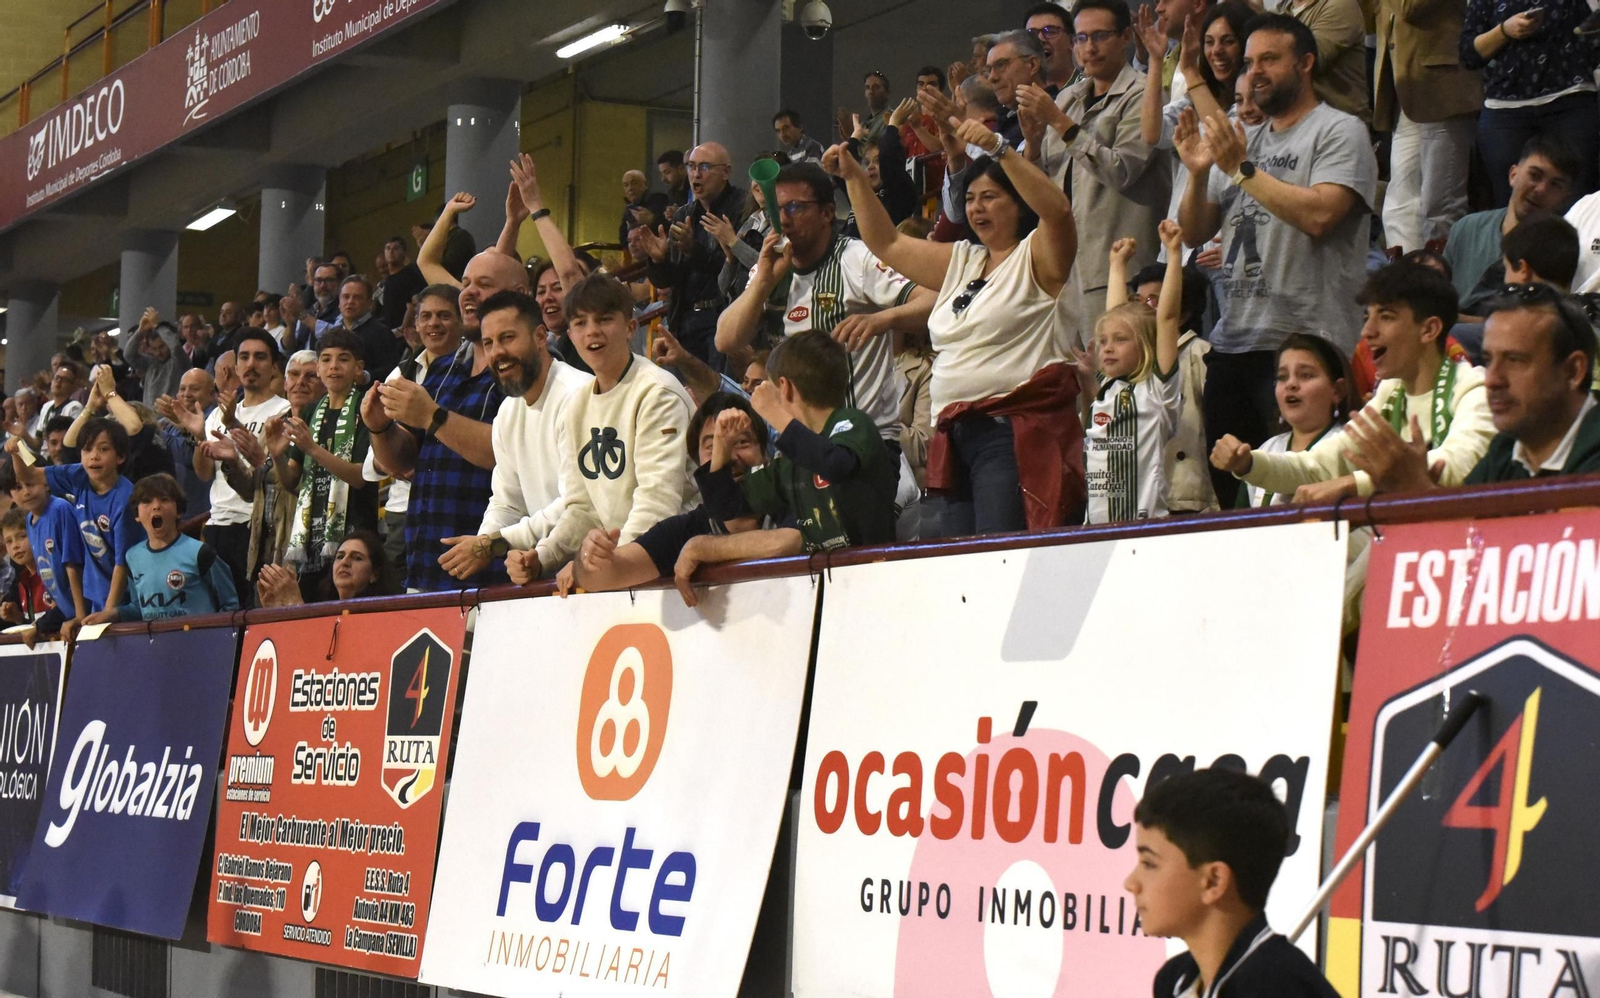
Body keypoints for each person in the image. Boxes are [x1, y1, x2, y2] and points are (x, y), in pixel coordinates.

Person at [829, 122, 1083, 536]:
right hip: (952, 436)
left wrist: (1000, 148)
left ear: (1018, 204)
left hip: (1011, 435)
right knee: (963, 566)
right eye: (970, 199)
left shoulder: (1039, 257)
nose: (977, 208)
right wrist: (854, 178)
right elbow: (888, 245)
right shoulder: (962, 260)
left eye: (990, 197)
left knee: (999, 558)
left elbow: (1057, 210)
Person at [1175, 13, 1377, 505]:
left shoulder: (1339, 131)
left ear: (1306, 63)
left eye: (1269, 59)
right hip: (1235, 340)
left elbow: (1320, 215)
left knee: (1306, 496)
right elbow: (1195, 230)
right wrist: (1201, 173)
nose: (1254, 72)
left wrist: (1241, 170)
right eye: (1248, 62)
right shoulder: (1247, 141)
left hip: (1308, 343)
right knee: (1234, 500)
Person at [1212, 262, 1496, 500]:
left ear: (1429, 329)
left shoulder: (1473, 390)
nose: (1367, 331)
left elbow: (1458, 466)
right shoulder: (1390, 392)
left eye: (1385, 317)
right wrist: (1249, 463)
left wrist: (1350, 484)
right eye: (1366, 317)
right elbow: (1317, 467)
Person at [717, 162, 934, 464]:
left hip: (863, 446)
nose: (782, 220)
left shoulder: (857, 258)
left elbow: (934, 299)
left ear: (827, 213)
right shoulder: (770, 267)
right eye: (775, 210)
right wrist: (763, 282)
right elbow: (725, 340)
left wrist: (882, 319)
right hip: (798, 443)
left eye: (794, 207)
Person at [504, 275, 695, 584]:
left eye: (604, 319)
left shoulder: (657, 393)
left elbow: (658, 504)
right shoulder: (576, 405)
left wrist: (603, 566)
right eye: (580, 323)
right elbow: (583, 507)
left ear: (630, 328)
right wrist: (542, 557)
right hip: (620, 563)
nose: (592, 331)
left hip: (676, 563)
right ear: (569, 334)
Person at [555, 393, 800, 602]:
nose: (728, 456)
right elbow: (604, 577)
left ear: (765, 453)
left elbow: (793, 541)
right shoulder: (683, 530)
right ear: (697, 463)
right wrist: (588, 560)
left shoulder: (792, 500)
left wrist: (704, 549)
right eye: (712, 446)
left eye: (741, 442)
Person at [1128, 768, 1341, 998]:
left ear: (1213, 881)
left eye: (1149, 863)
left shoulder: (1278, 987)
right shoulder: (1173, 979)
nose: (1130, 882)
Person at [1027, 0, 1170, 329]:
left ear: (1125, 37)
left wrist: (1060, 124)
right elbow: (1042, 190)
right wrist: (1033, 144)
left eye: (1099, 36)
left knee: (1117, 373)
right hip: (1065, 269)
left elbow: (1121, 171)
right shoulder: (1067, 99)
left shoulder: (1144, 94)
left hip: (1120, 268)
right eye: (1080, 38)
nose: (1088, 47)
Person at [697, 330, 897, 550]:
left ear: (785, 388)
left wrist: (774, 413)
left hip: (872, 574)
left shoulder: (854, 423)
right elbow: (725, 506)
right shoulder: (792, 459)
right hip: (821, 581)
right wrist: (721, 447)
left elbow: (835, 464)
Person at [363, 285, 504, 592]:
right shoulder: (439, 370)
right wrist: (379, 427)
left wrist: (433, 416)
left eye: (443, 315)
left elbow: (505, 453)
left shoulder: (511, 373)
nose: (434, 324)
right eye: (425, 316)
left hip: (485, 556)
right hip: (424, 556)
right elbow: (402, 460)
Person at [447, 289, 593, 583]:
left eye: (507, 338)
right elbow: (506, 502)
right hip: (541, 567)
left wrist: (494, 544)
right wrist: (482, 542)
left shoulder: (579, 395)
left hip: (595, 566)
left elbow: (576, 501)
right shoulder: (507, 413)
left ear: (541, 337)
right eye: (488, 343)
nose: (497, 352)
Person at [174, 328, 291, 601]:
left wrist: (232, 428)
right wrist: (200, 435)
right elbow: (204, 473)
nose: (251, 364)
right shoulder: (218, 412)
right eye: (245, 357)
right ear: (236, 367)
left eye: (260, 357)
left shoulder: (282, 410)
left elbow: (266, 468)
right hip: (218, 524)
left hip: (256, 525)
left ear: (274, 367)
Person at [265, 330, 380, 600]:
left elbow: (360, 477)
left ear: (358, 368)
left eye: (343, 359)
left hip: (354, 534)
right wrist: (278, 455)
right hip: (311, 542)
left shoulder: (367, 409)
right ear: (318, 368)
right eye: (326, 360)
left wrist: (313, 449)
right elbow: (292, 481)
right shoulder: (309, 411)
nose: (334, 367)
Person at [1085, 222, 1186, 523]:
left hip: (1145, 524)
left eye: (1120, 341)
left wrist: (1175, 254)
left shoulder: (1157, 389)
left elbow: (1167, 318)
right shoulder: (1107, 386)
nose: (1107, 349)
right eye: (1103, 342)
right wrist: (1117, 266)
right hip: (1096, 527)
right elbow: (1114, 316)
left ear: (1145, 346)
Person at [1460, 0, 1600, 204]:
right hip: (1505, 112)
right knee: (1512, 203)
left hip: (1570, 102)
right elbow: (1468, 54)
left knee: (1575, 201)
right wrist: (1504, 31)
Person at [1115, 246, 1219, 513]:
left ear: (1182, 312)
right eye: (1137, 300)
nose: (1143, 309)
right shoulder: (1129, 363)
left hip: (1187, 496)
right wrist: (1116, 265)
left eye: (1154, 300)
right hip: (1138, 498)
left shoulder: (1201, 355)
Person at [1373, 0, 1479, 253]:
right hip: (1404, 91)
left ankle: (1440, 281)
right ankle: (1407, 279)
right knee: (1399, 205)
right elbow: (1368, 18)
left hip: (1443, 90)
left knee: (1440, 205)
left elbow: (1412, 7)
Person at [1464, 286, 1600, 481]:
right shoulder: (1505, 448)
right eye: (1488, 360)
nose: (1492, 380)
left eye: (1514, 360)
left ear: (1573, 371)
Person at [13, 416, 136, 623]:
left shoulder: (125, 498)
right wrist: (17, 450)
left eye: (103, 449)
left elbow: (122, 562)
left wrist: (110, 610)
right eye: (87, 450)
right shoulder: (79, 475)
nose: (93, 457)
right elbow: (31, 475)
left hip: (126, 601)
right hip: (96, 599)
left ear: (120, 456)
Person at [635, 141, 747, 366]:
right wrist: (659, 260)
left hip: (722, 316)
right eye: (691, 167)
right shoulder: (684, 214)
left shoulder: (742, 207)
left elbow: (740, 271)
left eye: (704, 167)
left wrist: (694, 250)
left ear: (726, 172)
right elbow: (670, 280)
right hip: (685, 317)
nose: (696, 175)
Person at [1444, 135, 1579, 314]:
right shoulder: (1467, 228)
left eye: (1555, 185)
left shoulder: (1560, 248)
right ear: (1513, 175)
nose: (1541, 190)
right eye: (1535, 175)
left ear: (1565, 198)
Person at [1240, 334, 1355, 506]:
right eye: (1282, 377)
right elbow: (1238, 524)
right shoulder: (1266, 449)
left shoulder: (1350, 444)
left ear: (1337, 391)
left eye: (1306, 375)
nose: (1291, 384)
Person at [116, 474, 239, 621]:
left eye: (164, 499)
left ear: (178, 511)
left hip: (198, 641)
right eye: (147, 502)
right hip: (157, 643)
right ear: (137, 514)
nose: (156, 506)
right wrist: (112, 614)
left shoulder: (199, 553)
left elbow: (230, 605)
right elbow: (139, 608)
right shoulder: (133, 557)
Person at [1, 460, 85, 643]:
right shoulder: (30, 521)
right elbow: (50, 579)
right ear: (11, 496)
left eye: (30, 483)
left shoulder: (60, 509)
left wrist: (79, 616)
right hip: (65, 614)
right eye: (17, 487)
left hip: (83, 612)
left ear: (45, 480)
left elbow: (73, 566)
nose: (26, 491)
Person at [256, 530, 391, 606]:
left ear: (375, 574)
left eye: (357, 558)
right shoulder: (325, 609)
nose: (345, 562)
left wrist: (295, 605)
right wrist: (275, 612)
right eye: (339, 556)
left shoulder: (379, 616)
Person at [1287, 0, 1369, 124]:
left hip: (1340, 127)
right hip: (1294, 125)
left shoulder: (1340, 5)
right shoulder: (1280, 11)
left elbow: (1308, 64)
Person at [316, 275, 401, 382]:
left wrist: (365, 377)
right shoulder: (332, 334)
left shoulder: (381, 333)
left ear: (369, 303)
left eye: (357, 297)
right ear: (339, 302)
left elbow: (392, 370)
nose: (350, 301)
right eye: (346, 297)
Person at [0, 507, 51, 626]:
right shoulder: (19, 582)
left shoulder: (54, 574)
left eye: (22, 536)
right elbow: (32, 628)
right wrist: (18, 618)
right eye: (9, 541)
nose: (15, 546)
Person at [128, 309, 189, 402]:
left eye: (162, 347)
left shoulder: (179, 361)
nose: (158, 353)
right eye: (154, 349)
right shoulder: (149, 363)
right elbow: (128, 355)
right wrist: (140, 331)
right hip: (148, 415)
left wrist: (158, 326)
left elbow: (175, 347)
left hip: (170, 415)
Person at [1025, 1, 1079, 92]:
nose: (1040, 39)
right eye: (1032, 34)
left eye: (1050, 32)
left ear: (1072, 41)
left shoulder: (1088, 89)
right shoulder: (1018, 95)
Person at [377, 235, 426, 331]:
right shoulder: (388, 280)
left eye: (395, 248)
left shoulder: (411, 274)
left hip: (406, 333)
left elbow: (415, 304)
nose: (391, 252)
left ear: (404, 252)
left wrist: (402, 328)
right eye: (388, 248)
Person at [620, 169, 670, 248]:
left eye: (634, 183)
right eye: (626, 185)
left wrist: (652, 221)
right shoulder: (629, 209)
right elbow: (623, 236)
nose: (630, 188)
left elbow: (669, 227)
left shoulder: (659, 200)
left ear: (645, 184)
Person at [860, 71, 892, 145]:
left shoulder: (892, 119)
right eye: (867, 87)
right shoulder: (864, 125)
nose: (871, 91)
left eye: (876, 87)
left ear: (887, 92)